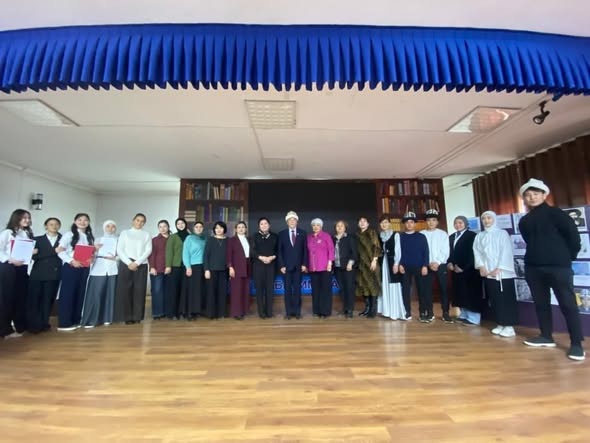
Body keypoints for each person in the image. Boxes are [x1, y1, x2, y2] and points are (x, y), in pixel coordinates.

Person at [518, 178, 584, 361]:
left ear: (544, 195)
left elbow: (573, 238)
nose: (532, 197)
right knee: (541, 304)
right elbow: (530, 241)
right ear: (524, 199)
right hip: (533, 268)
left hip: (558, 268)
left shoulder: (557, 214)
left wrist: (566, 258)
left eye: (535, 194)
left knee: (568, 305)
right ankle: (546, 336)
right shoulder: (525, 221)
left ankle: (576, 344)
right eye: (528, 195)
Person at [473, 211, 518, 338]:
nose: (486, 221)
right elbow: (477, 252)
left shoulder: (502, 233)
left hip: (502, 274)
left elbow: (506, 251)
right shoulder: (480, 236)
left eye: (489, 218)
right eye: (484, 218)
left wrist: (500, 268)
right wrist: (481, 266)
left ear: (494, 219)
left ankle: (509, 326)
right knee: (495, 299)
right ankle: (500, 323)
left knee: (506, 299)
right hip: (488, 273)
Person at [57, 213, 95, 331]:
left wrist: (91, 258)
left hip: (84, 268)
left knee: (80, 293)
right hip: (71, 267)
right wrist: (71, 261)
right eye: (80, 220)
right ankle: (64, 323)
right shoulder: (69, 234)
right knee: (68, 294)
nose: (83, 222)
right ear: (75, 221)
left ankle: (76, 320)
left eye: (85, 220)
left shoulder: (89, 236)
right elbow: (60, 251)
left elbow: (90, 253)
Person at [0, 209, 34, 338]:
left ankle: (19, 326)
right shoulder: (7, 233)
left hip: (22, 268)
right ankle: (5, 330)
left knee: (19, 298)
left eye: (28, 218)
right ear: (16, 218)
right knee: (7, 299)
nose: (27, 220)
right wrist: (10, 259)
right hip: (8, 267)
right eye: (24, 217)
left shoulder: (26, 233)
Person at [81, 220, 118, 328]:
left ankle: (107, 318)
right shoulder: (97, 239)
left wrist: (116, 258)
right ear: (103, 227)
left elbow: (121, 253)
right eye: (108, 226)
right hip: (98, 267)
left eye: (113, 226)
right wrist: (94, 250)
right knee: (96, 294)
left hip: (112, 268)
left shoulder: (118, 239)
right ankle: (92, 319)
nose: (110, 228)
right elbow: (89, 254)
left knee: (110, 294)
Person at [116, 213, 152, 325]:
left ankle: (137, 316)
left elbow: (148, 250)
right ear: (133, 220)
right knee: (126, 290)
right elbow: (120, 250)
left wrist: (137, 263)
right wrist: (129, 263)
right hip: (126, 264)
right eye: (137, 220)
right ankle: (127, 317)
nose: (139, 223)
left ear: (144, 223)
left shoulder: (146, 234)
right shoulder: (125, 233)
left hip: (141, 264)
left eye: (142, 221)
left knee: (139, 290)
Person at [28, 217, 62, 333]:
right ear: (46, 226)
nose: (54, 226)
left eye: (56, 224)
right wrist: (54, 252)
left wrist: (42, 254)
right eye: (51, 224)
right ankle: (34, 324)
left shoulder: (64, 239)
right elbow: (33, 256)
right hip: (38, 273)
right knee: (34, 298)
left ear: (59, 226)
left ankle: (44, 323)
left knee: (48, 299)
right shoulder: (37, 239)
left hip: (54, 273)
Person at [448, 215, 482, 326]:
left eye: (460, 223)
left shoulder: (472, 235)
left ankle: (473, 318)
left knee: (470, 293)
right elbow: (450, 252)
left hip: (470, 271)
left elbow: (473, 254)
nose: (458, 225)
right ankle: (463, 315)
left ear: (466, 224)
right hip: (455, 270)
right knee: (460, 293)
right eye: (456, 223)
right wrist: (450, 263)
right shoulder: (452, 236)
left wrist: (464, 267)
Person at [421, 209, 452, 323]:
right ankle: (429, 312)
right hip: (426, 265)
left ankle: (445, 312)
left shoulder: (443, 234)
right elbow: (421, 251)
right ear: (426, 221)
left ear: (437, 222)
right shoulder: (421, 234)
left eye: (434, 220)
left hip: (441, 265)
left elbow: (445, 250)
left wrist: (437, 262)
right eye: (429, 220)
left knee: (444, 289)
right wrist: (428, 263)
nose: (431, 222)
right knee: (427, 290)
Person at [399, 212, 430, 321]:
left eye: (411, 222)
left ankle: (422, 312)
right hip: (405, 268)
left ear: (415, 224)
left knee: (422, 290)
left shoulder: (421, 237)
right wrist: (400, 264)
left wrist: (425, 265)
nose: (409, 224)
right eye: (407, 222)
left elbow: (426, 252)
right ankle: (406, 311)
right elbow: (398, 253)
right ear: (404, 224)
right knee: (405, 291)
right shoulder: (400, 237)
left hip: (419, 267)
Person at [277, 211, 308, 319]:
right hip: (286, 268)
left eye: (294, 220)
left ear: (297, 221)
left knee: (297, 290)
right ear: (287, 222)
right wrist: (281, 265)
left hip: (299, 267)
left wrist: (304, 264)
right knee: (287, 291)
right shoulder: (282, 234)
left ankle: (297, 312)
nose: (292, 221)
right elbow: (279, 251)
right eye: (290, 220)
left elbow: (305, 250)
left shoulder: (303, 233)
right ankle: (288, 313)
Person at [377, 215, 405, 320]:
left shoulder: (395, 235)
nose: (384, 224)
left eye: (385, 222)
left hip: (392, 263)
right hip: (383, 263)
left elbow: (398, 250)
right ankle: (386, 311)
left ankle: (395, 312)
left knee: (394, 285)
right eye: (382, 223)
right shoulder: (380, 236)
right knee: (384, 284)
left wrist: (396, 263)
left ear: (389, 223)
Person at [250, 217, 278, 319]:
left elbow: (278, 250)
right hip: (258, 266)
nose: (264, 225)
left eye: (265, 223)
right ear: (259, 226)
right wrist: (261, 258)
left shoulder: (275, 236)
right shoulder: (254, 236)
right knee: (259, 290)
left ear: (269, 225)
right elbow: (252, 251)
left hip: (271, 265)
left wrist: (272, 257)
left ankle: (269, 312)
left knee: (270, 289)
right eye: (261, 224)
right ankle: (261, 312)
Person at [307, 218, 335, 319]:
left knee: (325, 290)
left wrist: (330, 262)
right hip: (313, 268)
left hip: (325, 267)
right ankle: (317, 310)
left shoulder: (326, 236)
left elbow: (331, 250)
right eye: (314, 225)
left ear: (321, 226)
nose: (316, 227)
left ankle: (325, 311)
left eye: (318, 225)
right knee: (315, 290)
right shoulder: (309, 237)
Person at [355, 216, 381, 318]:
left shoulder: (372, 232)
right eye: (360, 221)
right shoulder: (357, 235)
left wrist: (374, 260)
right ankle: (367, 308)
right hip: (361, 265)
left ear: (368, 223)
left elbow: (377, 247)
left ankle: (373, 310)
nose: (362, 223)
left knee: (372, 286)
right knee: (364, 287)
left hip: (371, 263)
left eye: (364, 221)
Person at [165, 218, 190, 320]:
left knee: (185, 290)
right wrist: (168, 266)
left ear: (185, 224)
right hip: (176, 266)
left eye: (182, 223)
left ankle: (183, 311)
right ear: (176, 226)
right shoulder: (173, 237)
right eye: (178, 224)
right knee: (174, 290)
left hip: (187, 267)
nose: (180, 225)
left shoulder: (190, 236)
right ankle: (173, 313)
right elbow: (169, 252)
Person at [203, 221, 229, 319]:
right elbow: (205, 255)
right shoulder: (210, 240)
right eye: (216, 228)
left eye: (221, 228)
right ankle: (211, 313)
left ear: (224, 229)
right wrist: (206, 269)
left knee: (222, 292)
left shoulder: (228, 240)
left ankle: (222, 313)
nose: (218, 230)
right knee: (211, 292)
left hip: (224, 270)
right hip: (211, 270)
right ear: (214, 230)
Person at [333, 220, 358, 318]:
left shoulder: (350, 238)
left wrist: (350, 263)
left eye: (341, 226)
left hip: (348, 267)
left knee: (349, 288)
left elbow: (354, 252)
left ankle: (350, 309)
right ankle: (345, 308)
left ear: (345, 228)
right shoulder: (333, 238)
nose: (339, 227)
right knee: (342, 288)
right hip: (337, 267)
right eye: (337, 226)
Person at [227, 221, 251, 320]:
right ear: (236, 229)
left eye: (243, 227)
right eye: (239, 227)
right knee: (236, 291)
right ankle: (236, 313)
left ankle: (244, 310)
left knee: (245, 289)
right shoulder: (232, 240)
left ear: (246, 229)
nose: (241, 229)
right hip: (236, 268)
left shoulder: (248, 239)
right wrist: (230, 267)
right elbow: (228, 255)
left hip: (247, 266)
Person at [182, 221, 207, 320]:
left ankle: (197, 310)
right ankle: (190, 312)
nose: (199, 228)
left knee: (200, 290)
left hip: (204, 266)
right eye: (197, 227)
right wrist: (188, 267)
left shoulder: (204, 238)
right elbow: (185, 253)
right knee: (192, 290)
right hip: (193, 266)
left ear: (203, 228)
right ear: (193, 228)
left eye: (201, 227)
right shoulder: (189, 238)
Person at [148, 220, 170, 320]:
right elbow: (151, 254)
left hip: (170, 269)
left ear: (168, 227)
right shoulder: (155, 240)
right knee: (157, 291)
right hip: (157, 269)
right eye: (160, 227)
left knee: (167, 291)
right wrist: (152, 267)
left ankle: (166, 311)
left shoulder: (172, 239)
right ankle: (157, 313)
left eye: (164, 226)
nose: (162, 229)